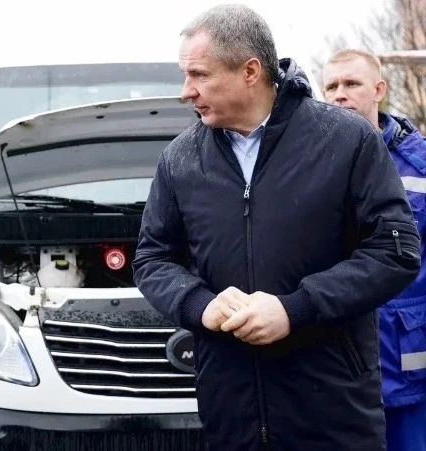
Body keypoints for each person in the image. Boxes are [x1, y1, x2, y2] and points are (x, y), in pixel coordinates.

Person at [133, 5, 422, 451]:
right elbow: (153, 258)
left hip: (333, 416)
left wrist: (296, 308)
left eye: (199, 75)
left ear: (250, 71)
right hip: (232, 418)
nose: (186, 91)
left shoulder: (347, 140)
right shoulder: (180, 160)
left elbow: (395, 250)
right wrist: (199, 304)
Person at [323, 48, 426, 451]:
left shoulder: (419, 166)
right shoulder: (308, 162)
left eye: (352, 83)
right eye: (331, 86)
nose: (340, 94)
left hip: (407, 360)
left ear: (379, 90)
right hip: (337, 361)